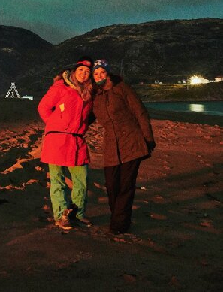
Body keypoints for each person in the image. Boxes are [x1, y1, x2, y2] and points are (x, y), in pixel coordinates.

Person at [91, 59, 155, 235]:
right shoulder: (95, 95)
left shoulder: (122, 88)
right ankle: (119, 217)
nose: (99, 76)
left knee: (126, 186)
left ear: (108, 73)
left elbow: (140, 112)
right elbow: (87, 117)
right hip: (111, 145)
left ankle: (119, 225)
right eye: (95, 73)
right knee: (112, 186)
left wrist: (148, 139)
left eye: (102, 72)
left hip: (132, 142)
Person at [37, 56, 94, 230]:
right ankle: (61, 214)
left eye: (87, 72)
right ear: (74, 71)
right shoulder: (61, 87)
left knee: (81, 180)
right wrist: (56, 125)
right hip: (57, 140)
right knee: (57, 180)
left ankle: (77, 213)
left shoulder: (89, 92)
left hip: (77, 140)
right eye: (81, 70)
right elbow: (43, 107)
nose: (83, 74)